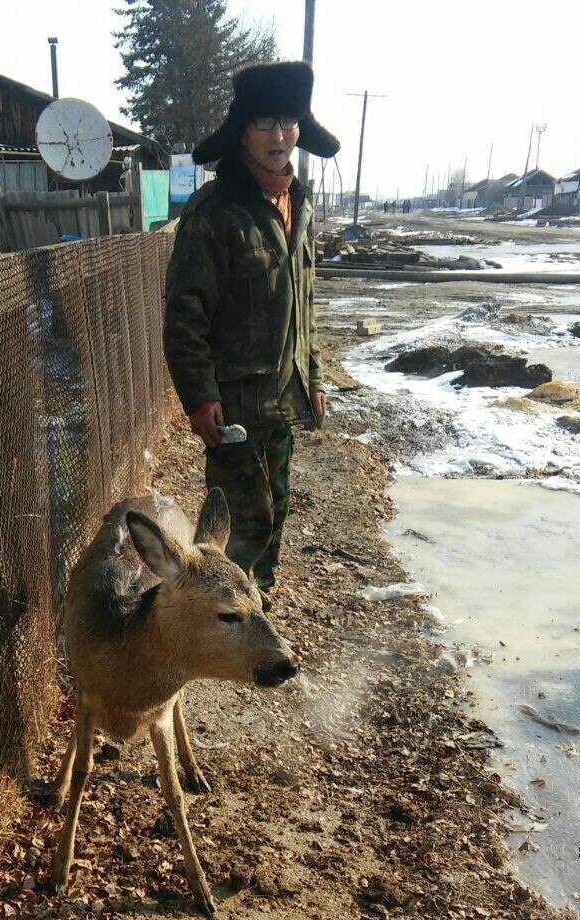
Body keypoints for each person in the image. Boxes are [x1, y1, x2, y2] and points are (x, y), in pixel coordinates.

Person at [163, 61, 339, 607]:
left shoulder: (300, 206)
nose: (279, 135)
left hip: (282, 399)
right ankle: (221, 623)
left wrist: (313, 375)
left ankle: (256, 610)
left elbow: (304, 306)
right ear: (242, 130)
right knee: (243, 523)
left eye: (289, 121)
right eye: (264, 121)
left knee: (278, 509)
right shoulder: (215, 213)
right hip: (233, 403)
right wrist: (200, 397)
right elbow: (183, 314)